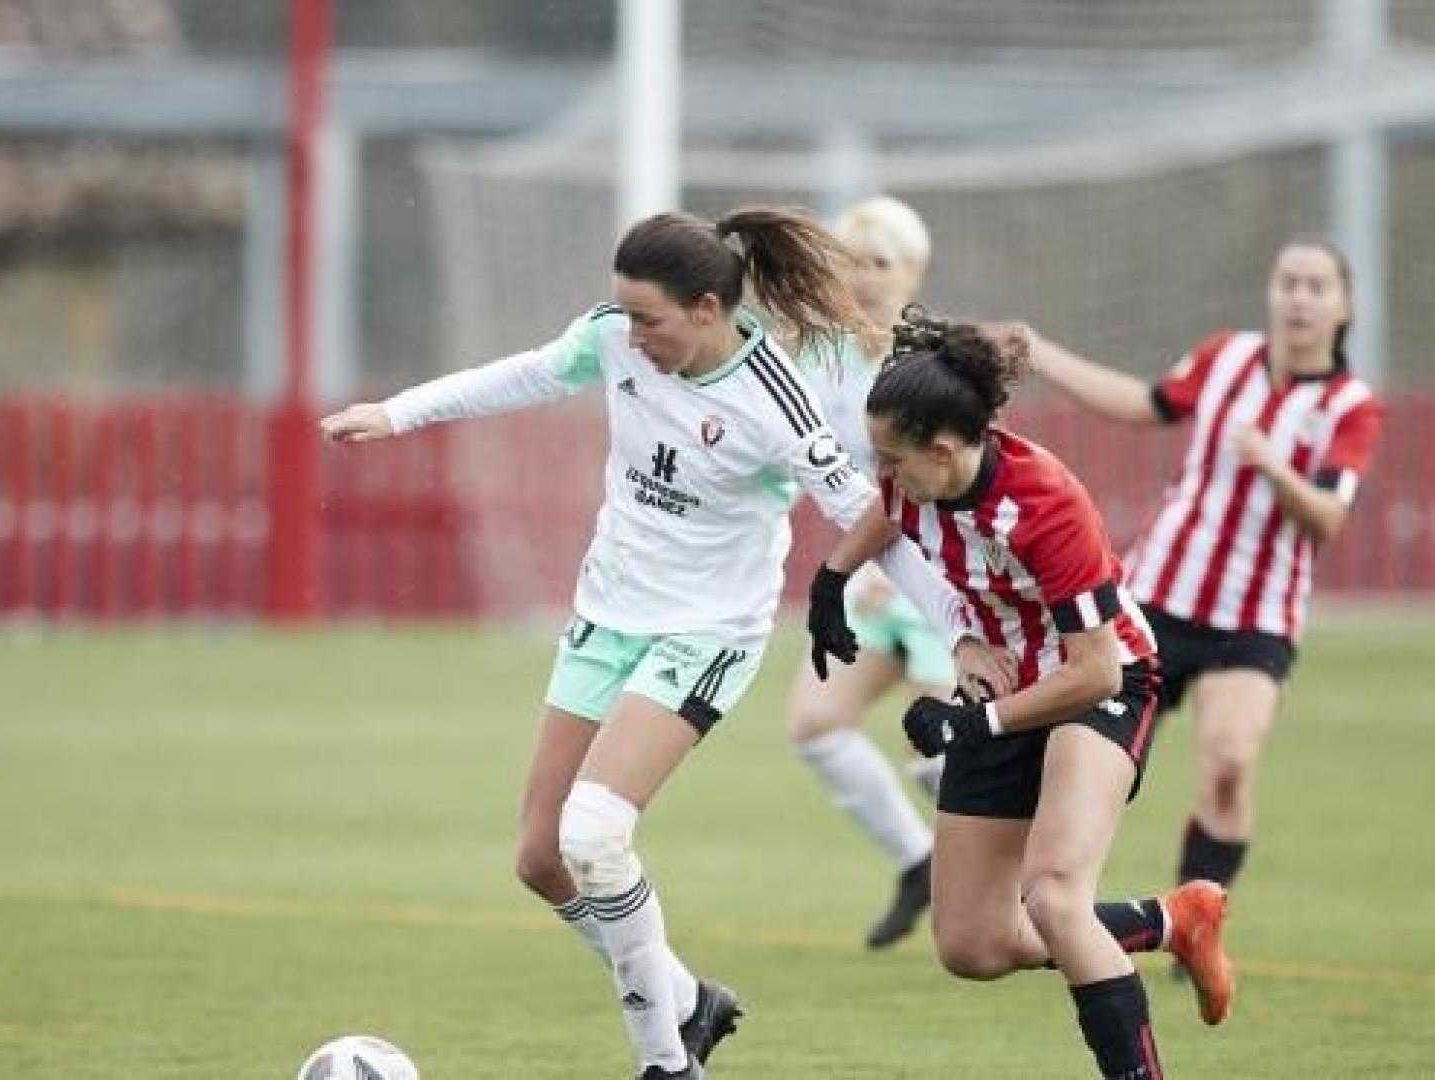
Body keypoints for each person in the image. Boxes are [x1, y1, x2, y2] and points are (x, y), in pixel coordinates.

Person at [321, 208, 977, 1080]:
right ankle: (686, 998)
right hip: (607, 617)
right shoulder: (614, 341)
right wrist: (396, 414)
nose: (630, 336)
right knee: (542, 857)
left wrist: (965, 634)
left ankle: (667, 1064)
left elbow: (870, 517)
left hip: (707, 633)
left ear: (708, 309)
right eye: (623, 315)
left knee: (594, 834)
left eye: (648, 319)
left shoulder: (776, 400)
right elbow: (522, 375)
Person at [809, 310, 1233, 1079]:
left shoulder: (1043, 506)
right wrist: (832, 579)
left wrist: (975, 722)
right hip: (1006, 683)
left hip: (1099, 684)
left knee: (1056, 897)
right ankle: (1175, 922)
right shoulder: (918, 476)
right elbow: (890, 510)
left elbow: (1097, 670)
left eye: (892, 459)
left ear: (943, 449)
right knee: (972, 945)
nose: (884, 473)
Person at [1011, 236, 1384, 923]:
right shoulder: (1227, 357)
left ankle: (1193, 919)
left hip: (1256, 616)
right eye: (1288, 282)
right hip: (1158, 596)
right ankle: (1035, 890)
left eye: (1316, 287)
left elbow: (1328, 518)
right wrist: (1041, 353)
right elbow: (1144, 402)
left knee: (1229, 762)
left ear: (1345, 306)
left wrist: (1273, 466)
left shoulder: (1349, 405)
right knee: (1078, 742)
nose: (1298, 298)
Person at [785, 196, 955, 949]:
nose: (864, 278)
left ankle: (1036, 894)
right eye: (851, 262)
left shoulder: (936, 361)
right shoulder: (819, 359)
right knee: (817, 726)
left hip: (939, 580)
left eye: (880, 263)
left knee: (953, 751)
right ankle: (919, 862)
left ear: (914, 272)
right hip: (863, 578)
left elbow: (959, 479)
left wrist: (906, 556)